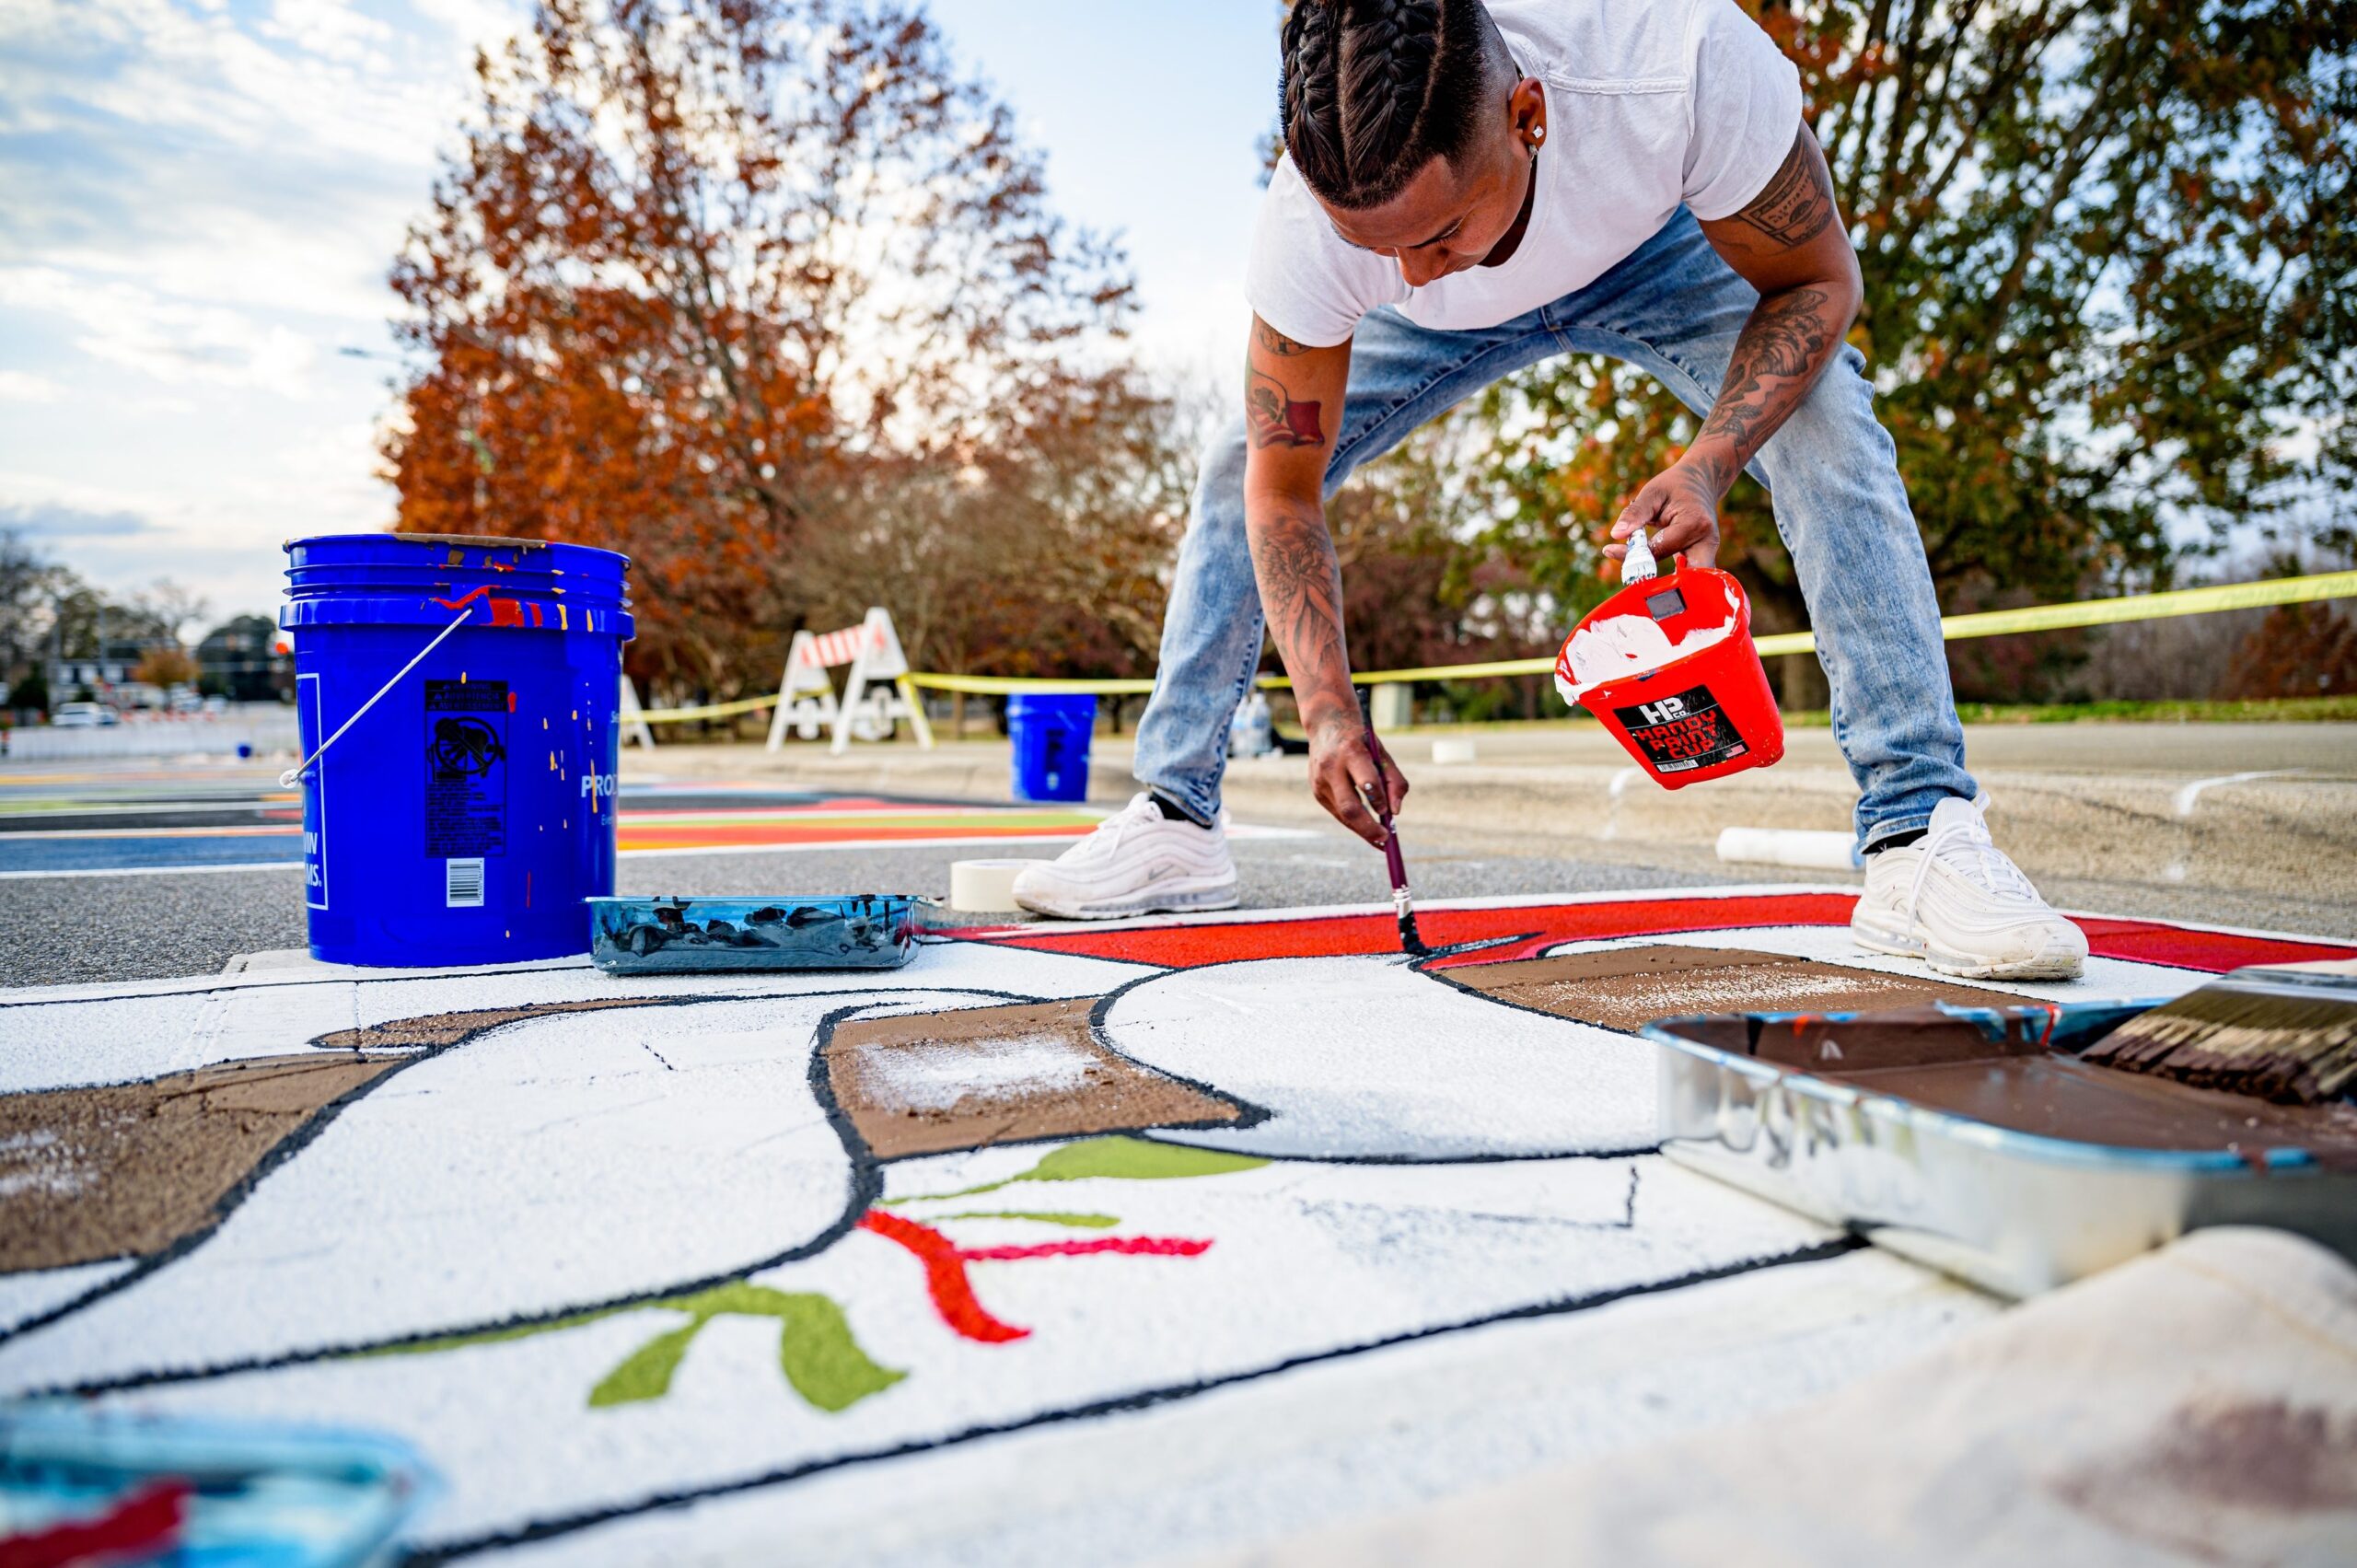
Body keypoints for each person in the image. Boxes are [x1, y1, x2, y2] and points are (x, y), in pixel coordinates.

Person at [1014, 0, 2086, 981]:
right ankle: (1177, 817)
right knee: (1236, 464)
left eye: (1436, 232)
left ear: (1526, 115)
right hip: (1431, 333)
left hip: (1658, 247)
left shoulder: (1680, 61)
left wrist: (1710, 461)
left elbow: (1820, 280)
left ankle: (1917, 828)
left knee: (1829, 424)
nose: (1415, 270)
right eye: (1375, 246)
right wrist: (1328, 710)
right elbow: (1282, 493)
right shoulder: (1317, 228)